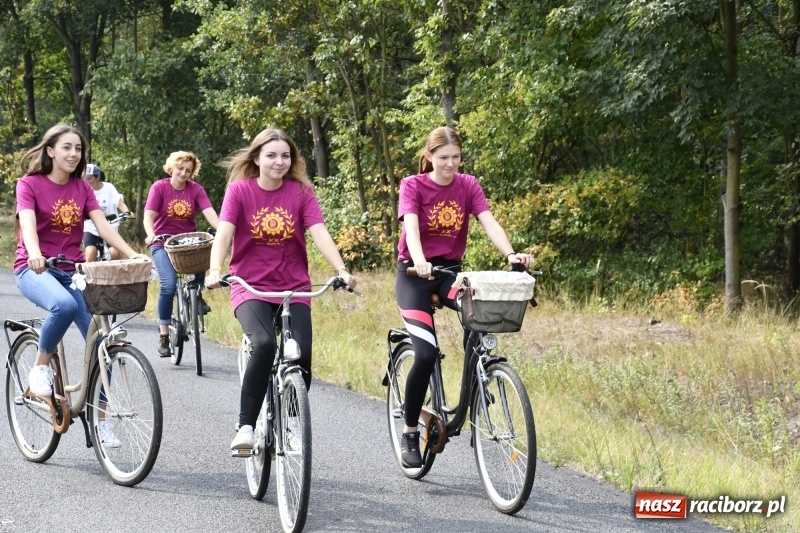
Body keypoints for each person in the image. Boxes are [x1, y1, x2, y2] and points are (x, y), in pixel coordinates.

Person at [205, 127, 357, 451]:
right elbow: (224, 234)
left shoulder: (301, 192)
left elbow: (319, 233)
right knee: (263, 344)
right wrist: (215, 269)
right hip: (250, 286)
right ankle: (246, 426)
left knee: (301, 360)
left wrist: (341, 270)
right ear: (257, 158)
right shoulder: (239, 191)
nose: (279, 162)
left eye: (285, 155)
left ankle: (288, 423)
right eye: (271, 155)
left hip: (295, 287)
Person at [394, 126, 534, 468]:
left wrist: (512, 254)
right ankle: (411, 430)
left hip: (451, 274)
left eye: (456, 157)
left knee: (479, 311)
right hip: (415, 275)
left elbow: (489, 223)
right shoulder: (413, 185)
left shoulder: (468, 185)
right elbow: (411, 227)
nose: (450, 164)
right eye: (443, 158)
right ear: (429, 157)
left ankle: (477, 379)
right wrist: (420, 260)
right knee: (426, 354)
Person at [14, 123, 150, 448]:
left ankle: (100, 423)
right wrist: (34, 254)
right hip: (33, 269)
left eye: (78, 149)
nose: (74, 154)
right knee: (64, 305)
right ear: (50, 150)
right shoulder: (29, 184)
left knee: (104, 341)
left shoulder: (82, 188)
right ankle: (40, 369)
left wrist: (133, 254)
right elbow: (29, 225)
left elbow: (103, 227)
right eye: (67, 148)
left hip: (71, 270)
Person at [143, 151, 219, 357]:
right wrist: (151, 235)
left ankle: (197, 293)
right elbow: (148, 215)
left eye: (188, 170)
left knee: (205, 249)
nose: (184, 173)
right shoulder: (160, 187)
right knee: (168, 286)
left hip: (187, 242)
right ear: (171, 168)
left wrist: (223, 230)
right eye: (180, 169)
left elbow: (209, 212)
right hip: (162, 242)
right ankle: (164, 335)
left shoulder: (196, 190)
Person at [82, 163, 131, 262]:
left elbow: (119, 203)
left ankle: (116, 276)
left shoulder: (109, 188)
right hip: (90, 227)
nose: (86, 181)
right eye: (84, 178)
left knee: (115, 253)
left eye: (89, 178)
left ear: (98, 177)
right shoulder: (83, 189)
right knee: (91, 253)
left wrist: (126, 212)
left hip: (109, 226)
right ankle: (87, 276)